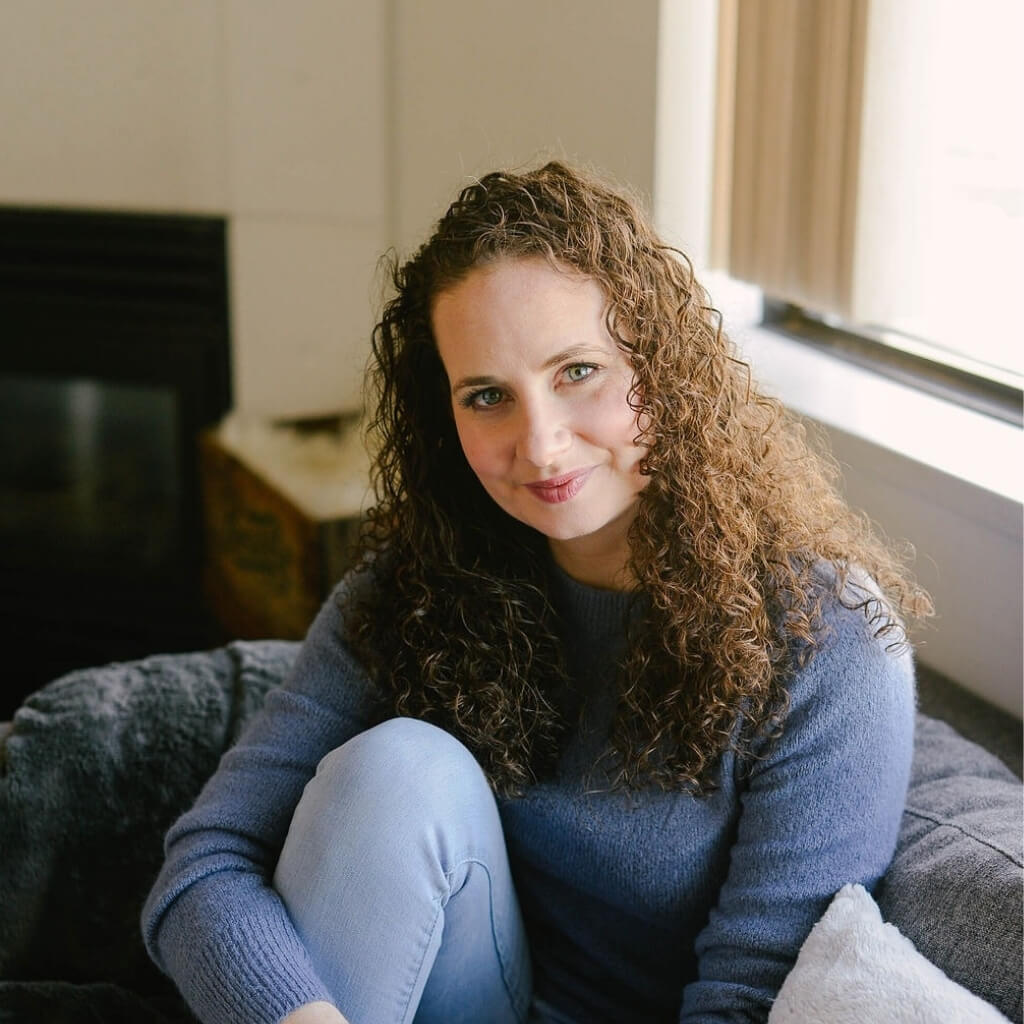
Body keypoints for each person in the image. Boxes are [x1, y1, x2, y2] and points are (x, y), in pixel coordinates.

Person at [142, 161, 932, 1024]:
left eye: (578, 372)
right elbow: (204, 865)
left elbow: (751, 1001)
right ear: (445, 416)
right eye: (488, 397)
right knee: (400, 773)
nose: (542, 445)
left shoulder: (831, 639)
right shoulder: (411, 588)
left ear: (662, 365)